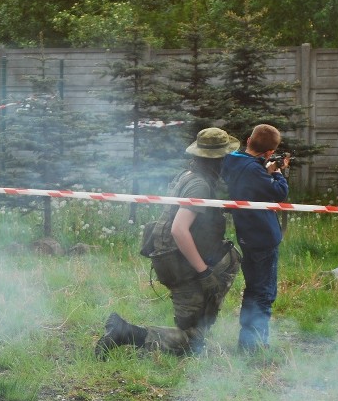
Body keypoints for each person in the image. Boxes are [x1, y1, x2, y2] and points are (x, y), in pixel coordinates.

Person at [95, 128, 242, 357]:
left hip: (175, 262)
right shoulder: (199, 185)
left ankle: (149, 334)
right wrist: (204, 273)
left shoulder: (187, 176)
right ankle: (125, 332)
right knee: (193, 341)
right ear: (218, 159)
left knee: (195, 334)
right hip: (184, 267)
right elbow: (179, 229)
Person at [220, 123, 290, 352]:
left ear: (249, 140)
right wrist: (278, 173)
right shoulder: (253, 169)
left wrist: (265, 169)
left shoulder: (233, 161)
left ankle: (247, 340)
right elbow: (279, 193)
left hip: (248, 234)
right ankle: (255, 345)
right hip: (263, 237)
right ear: (270, 152)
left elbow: (251, 182)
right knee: (264, 293)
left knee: (254, 288)